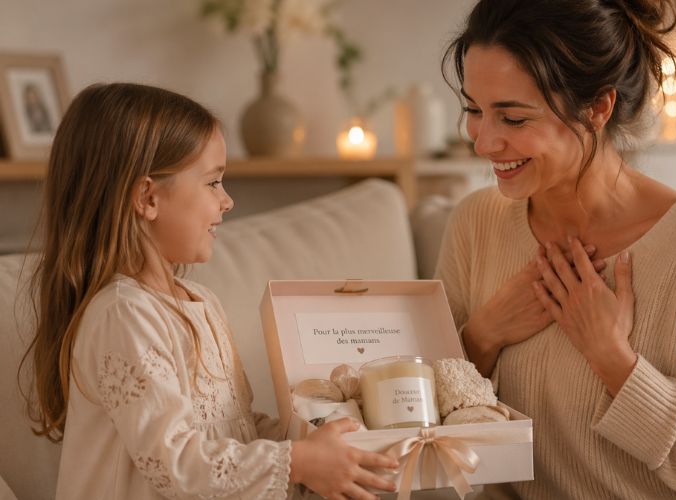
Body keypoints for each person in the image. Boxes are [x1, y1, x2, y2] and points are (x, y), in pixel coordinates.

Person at [437, 0, 676, 498]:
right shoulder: (475, 224)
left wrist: (614, 359)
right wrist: (483, 336)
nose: (483, 142)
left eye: (512, 118)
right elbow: (417, 427)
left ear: (597, 107)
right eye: (473, 110)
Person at [21, 82, 397, 500]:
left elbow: (237, 426)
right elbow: (176, 466)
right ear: (148, 198)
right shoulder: (123, 314)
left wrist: (318, 440)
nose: (227, 201)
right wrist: (299, 461)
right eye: (213, 182)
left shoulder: (201, 303)